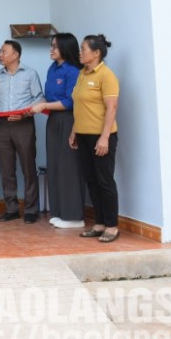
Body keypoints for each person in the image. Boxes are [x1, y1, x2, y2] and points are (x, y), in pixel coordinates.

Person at [0, 40, 44, 224]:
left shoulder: (30, 73)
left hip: (23, 124)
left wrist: (24, 114)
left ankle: (31, 209)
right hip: (2, 125)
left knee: (28, 166)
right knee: (6, 168)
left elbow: (39, 98)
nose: (0, 54)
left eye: (4, 51)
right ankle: (11, 208)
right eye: (0, 51)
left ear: (15, 55)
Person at [30, 33, 84, 229]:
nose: (51, 49)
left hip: (69, 120)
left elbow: (70, 101)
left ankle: (74, 216)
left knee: (68, 166)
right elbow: (48, 96)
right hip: (53, 120)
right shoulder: (52, 69)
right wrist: (40, 104)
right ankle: (59, 212)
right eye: (51, 45)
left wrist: (44, 105)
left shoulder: (73, 71)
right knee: (55, 164)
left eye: (55, 46)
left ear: (65, 48)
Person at [71, 34, 121, 243]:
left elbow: (112, 108)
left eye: (83, 49)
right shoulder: (82, 74)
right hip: (83, 135)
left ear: (96, 53)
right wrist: (74, 131)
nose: (80, 53)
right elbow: (80, 105)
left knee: (104, 181)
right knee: (91, 181)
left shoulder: (106, 75)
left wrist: (104, 138)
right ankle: (99, 223)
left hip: (101, 136)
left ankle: (111, 226)